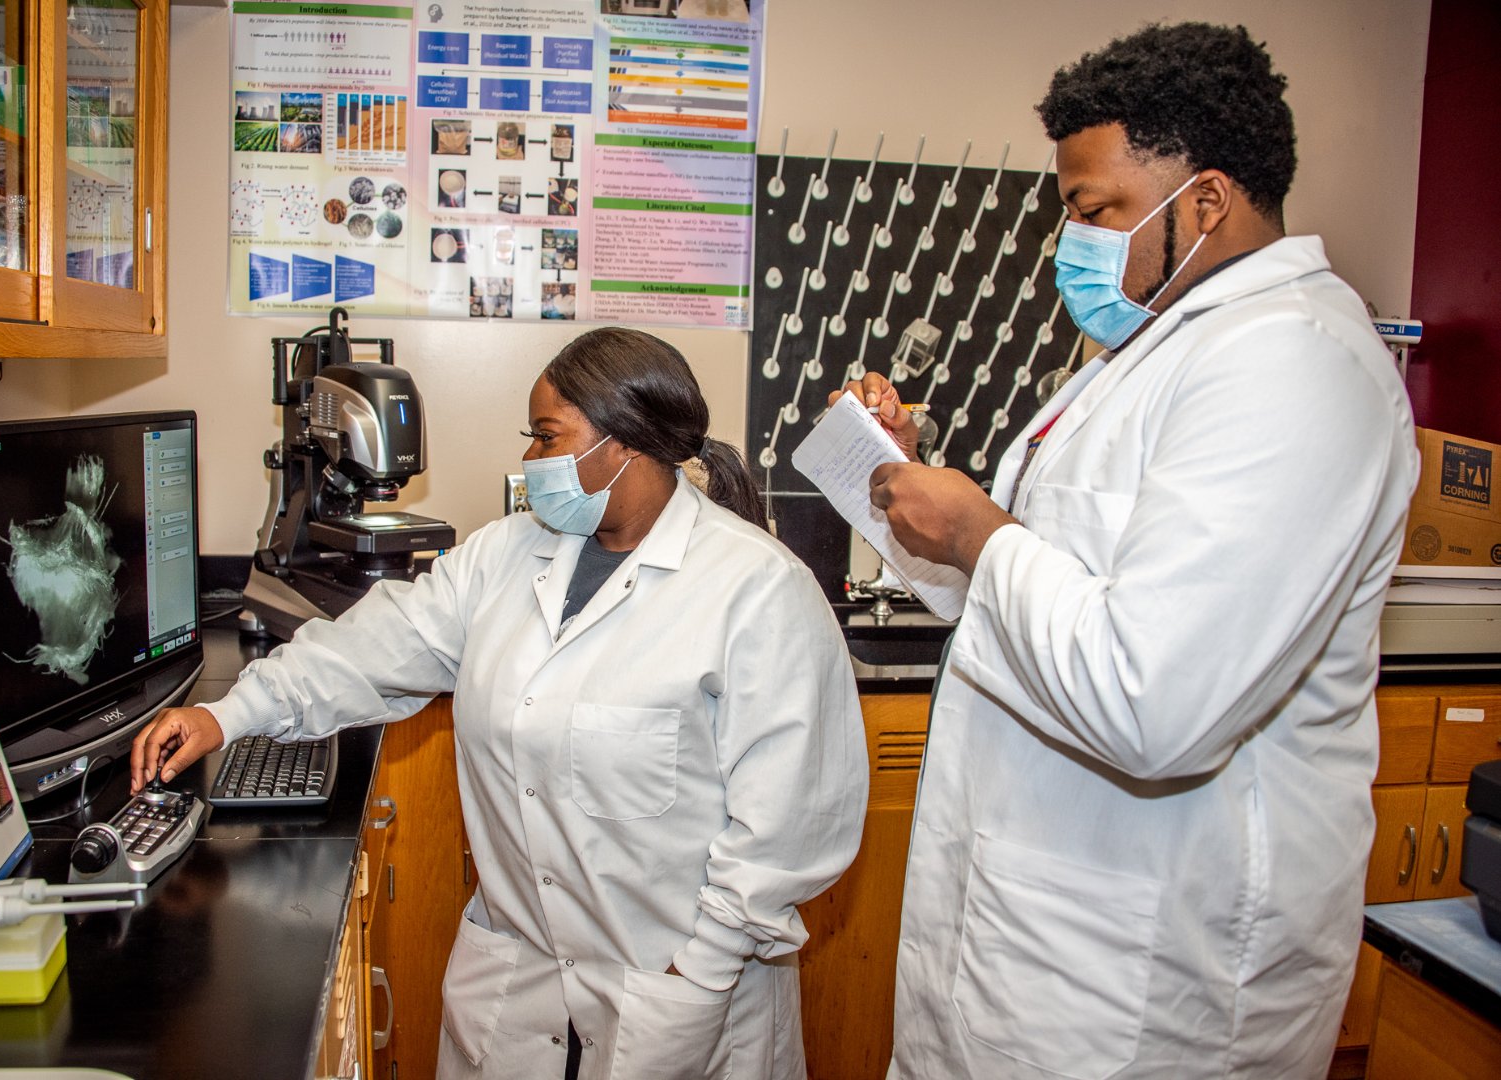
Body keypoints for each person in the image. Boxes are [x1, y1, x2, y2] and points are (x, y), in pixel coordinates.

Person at [837, 23, 1418, 1079]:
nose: (1068, 245)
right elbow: (1029, 602)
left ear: (1203, 202)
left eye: (1093, 211)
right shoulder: (1148, 354)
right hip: (1035, 938)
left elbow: (1155, 705)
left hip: (1146, 975)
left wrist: (977, 529)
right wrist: (912, 495)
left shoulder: (1292, 363)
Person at [133, 327, 868, 1080]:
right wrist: (227, 713)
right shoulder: (508, 555)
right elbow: (373, 647)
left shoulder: (758, 591)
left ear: (622, 444)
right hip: (519, 993)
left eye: (547, 437)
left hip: (682, 1000)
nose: (531, 460)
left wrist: (694, 978)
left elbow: (787, 834)